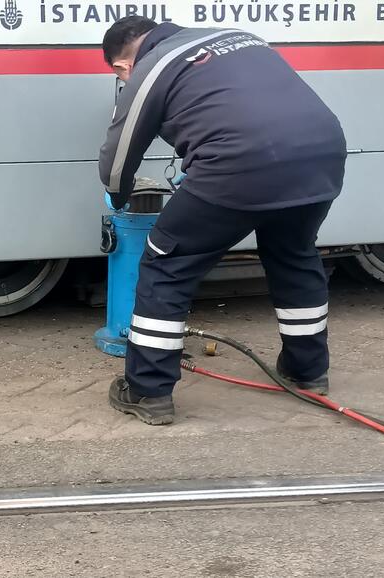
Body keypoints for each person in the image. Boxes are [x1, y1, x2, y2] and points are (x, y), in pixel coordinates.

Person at [98, 17, 347, 425]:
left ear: (122, 66)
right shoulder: (241, 38)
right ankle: (307, 372)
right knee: (294, 253)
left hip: (238, 166)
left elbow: (120, 154)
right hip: (321, 156)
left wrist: (119, 195)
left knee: (166, 262)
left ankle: (147, 390)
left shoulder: (152, 65)